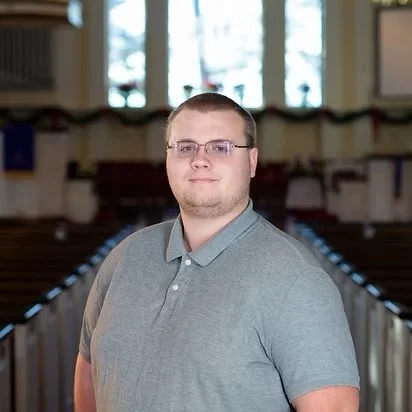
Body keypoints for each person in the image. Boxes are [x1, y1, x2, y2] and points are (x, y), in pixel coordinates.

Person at [74, 92, 360, 412]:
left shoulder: (297, 280)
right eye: (185, 147)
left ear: (251, 162)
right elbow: (89, 372)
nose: (200, 159)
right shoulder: (124, 258)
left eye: (220, 147)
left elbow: (334, 407)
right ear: (168, 158)